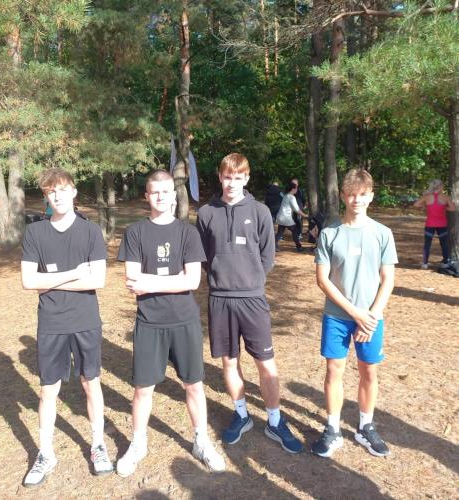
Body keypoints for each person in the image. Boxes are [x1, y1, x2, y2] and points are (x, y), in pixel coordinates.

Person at [116, 169, 225, 477]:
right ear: (147, 196)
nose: (161, 197)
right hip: (149, 321)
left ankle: (201, 442)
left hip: (184, 321)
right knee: (143, 389)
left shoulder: (187, 233)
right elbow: (133, 281)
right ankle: (138, 444)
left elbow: (192, 280)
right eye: (155, 192)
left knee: (194, 385)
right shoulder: (135, 232)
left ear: (174, 196)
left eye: (166, 192)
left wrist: (150, 282)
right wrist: (170, 280)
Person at [196, 153, 303, 454]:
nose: (232, 183)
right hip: (220, 299)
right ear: (220, 177)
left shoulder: (259, 211)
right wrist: (221, 276)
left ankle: (274, 420)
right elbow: (204, 256)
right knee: (229, 361)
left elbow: (268, 256)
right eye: (227, 177)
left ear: (246, 178)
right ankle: (241, 414)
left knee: (265, 362)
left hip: (253, 299)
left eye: (238, 177)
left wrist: (250, 279)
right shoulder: (205, 213)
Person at [21, 168, 113, 487]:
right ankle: (46, 453)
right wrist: (75, 273)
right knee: (49, 389)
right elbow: (29, 281)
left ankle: (98, 445)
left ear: (74, 191)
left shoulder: (90, 231)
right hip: (52, 323)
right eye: (51, 191)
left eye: (62, 189)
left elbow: (98, 280)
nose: (57, 196)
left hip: (85, 320)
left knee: (91, 383)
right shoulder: (35, 233)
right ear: (46, 197)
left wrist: (49, 281)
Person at [311, 168, 397, 459]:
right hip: (337, 317)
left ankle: (365, 426)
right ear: (343, 196)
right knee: (334, 370)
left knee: (368, 370)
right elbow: (323, 280)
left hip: (372, 318)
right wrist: (354, 313)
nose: (356, 200)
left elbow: (388, 280)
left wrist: (371, 316)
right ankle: (333, 428)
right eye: (351, 194)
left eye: (362, 195)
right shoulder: (330, 233)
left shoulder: (382, 233)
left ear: (370, 196)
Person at [413, 179, 455, 269]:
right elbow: (452, 208)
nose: (443, 187)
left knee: (427, 244)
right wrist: (444, 207)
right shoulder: (445, 197)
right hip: (442, 224)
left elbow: (416, 204)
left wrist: (426, 205)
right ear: (439, 186)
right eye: (442, 185)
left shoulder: (427, 196)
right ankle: (445, 262)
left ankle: (425, 263)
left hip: (430, 224)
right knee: (444, 243)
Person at [275, 183, 308, 252]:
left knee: (280, 233)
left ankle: (274, 246)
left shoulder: (286, 196)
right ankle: (299, 247)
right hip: (286, 218)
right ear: (293, 189)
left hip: (280, 217)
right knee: (295, 231)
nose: (297, 190)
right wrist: (305, 215)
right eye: (296, 188)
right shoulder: (291, 197)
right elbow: (297, 209)